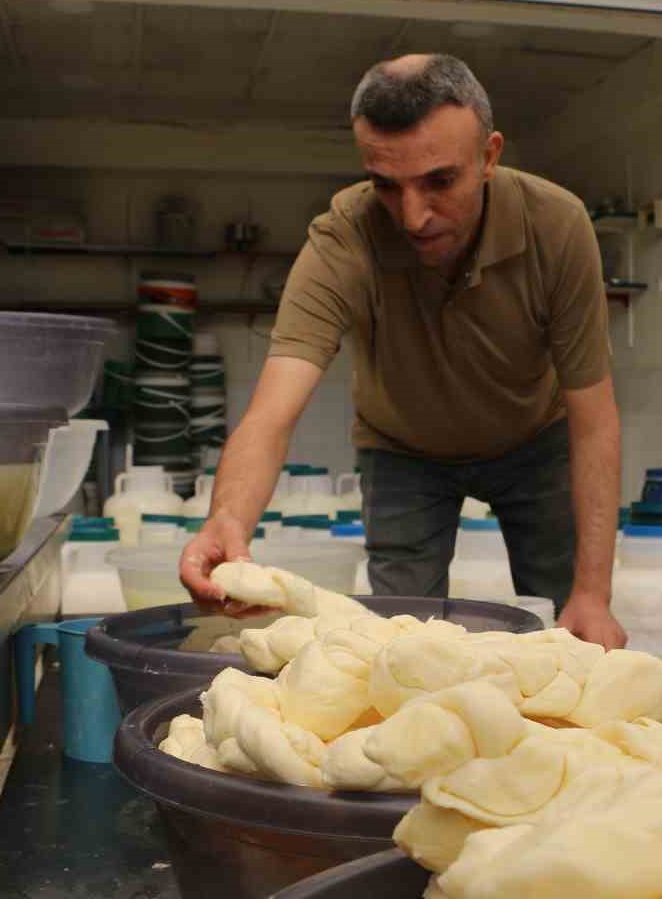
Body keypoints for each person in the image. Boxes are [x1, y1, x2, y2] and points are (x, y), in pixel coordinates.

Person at [178, 54, 627, 649]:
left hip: (533, 443)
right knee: (396, 638)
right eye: (387, 186)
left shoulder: (557, 227)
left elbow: (594, 421)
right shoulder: (344, 238)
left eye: (440, 181)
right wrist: (228, 518)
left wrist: (593, 596)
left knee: (567, 625)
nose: (413, 217)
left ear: (489, 156)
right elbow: (271, 415)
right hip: (404, 453)